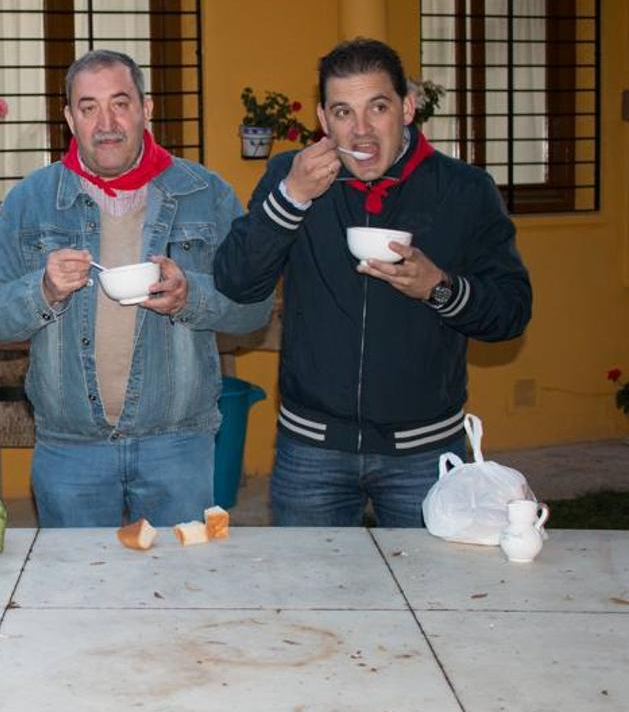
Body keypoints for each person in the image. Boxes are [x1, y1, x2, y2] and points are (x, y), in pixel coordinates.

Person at [214, 37, 532, 527]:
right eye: (343, 112)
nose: (360, 131)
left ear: (406, 108)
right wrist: (292, 197)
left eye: (376, 107)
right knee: (314, 601)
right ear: (323, 119)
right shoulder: (291, 175)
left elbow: (511, 311)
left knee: (426, 601)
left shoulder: (465, 190)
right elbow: (236, 282)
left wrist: (439, 287)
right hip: (311, 451)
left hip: (424, 453)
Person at [0, 50, 271, 528]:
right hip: (70, 448)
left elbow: (254, 310)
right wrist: (43, 290)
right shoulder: (32, 201)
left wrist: (190, 298)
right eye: (88, 108)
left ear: (147, 108)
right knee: (77, 597)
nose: (106, 122)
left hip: (177, 444)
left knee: (178, 593)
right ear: (70, 118)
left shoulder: (205, 194)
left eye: (120, 103)